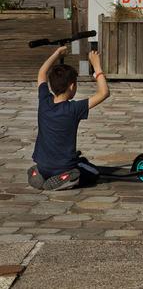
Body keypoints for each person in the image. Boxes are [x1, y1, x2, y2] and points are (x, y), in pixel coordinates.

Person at [27, 47, 110, 191]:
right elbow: (104, 93)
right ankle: (66, 178)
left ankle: (38, 173)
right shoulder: (74, 109)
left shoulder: (44, 101)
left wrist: (56, 54)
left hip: (43, 165)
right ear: (72, 86)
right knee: (93, 172)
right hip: (63, 167)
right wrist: (96, 66)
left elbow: (41, 73)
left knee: (77, 161)